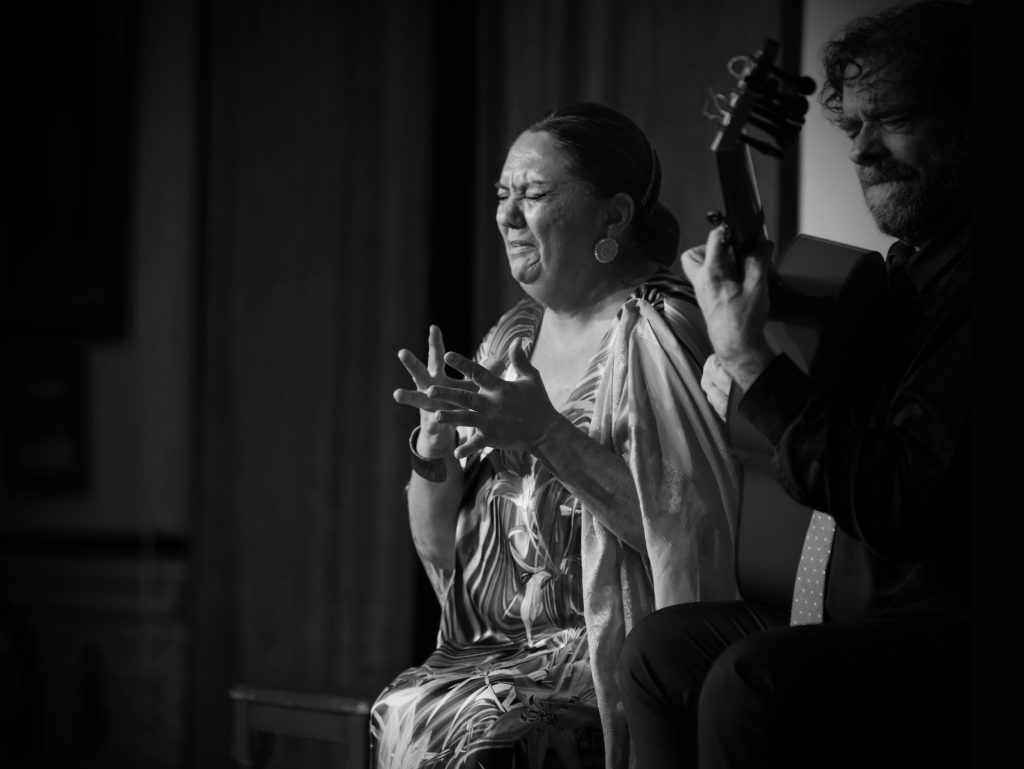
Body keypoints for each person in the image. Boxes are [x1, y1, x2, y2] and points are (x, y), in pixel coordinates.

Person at [617, 2, 972, 767]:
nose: (865, 150)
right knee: (657, 650)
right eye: (853, 127)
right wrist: (769, 320)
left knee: (751, 682)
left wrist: (749, 357)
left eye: (894, 119)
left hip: (955, 629)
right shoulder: (911, 265)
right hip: (866, 602)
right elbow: (840, 413)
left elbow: (900, 499)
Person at [370, 102, 741, 769]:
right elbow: (442, 553)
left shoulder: (658, 331)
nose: (507, 216)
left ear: (614, 216)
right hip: (495, 652)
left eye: (534, 194)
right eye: (501, 195)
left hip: (612, 659)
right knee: (401, 706)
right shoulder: (510, 338)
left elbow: (689, 536)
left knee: (483, 737)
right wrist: (431, 454)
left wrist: (547, 434)